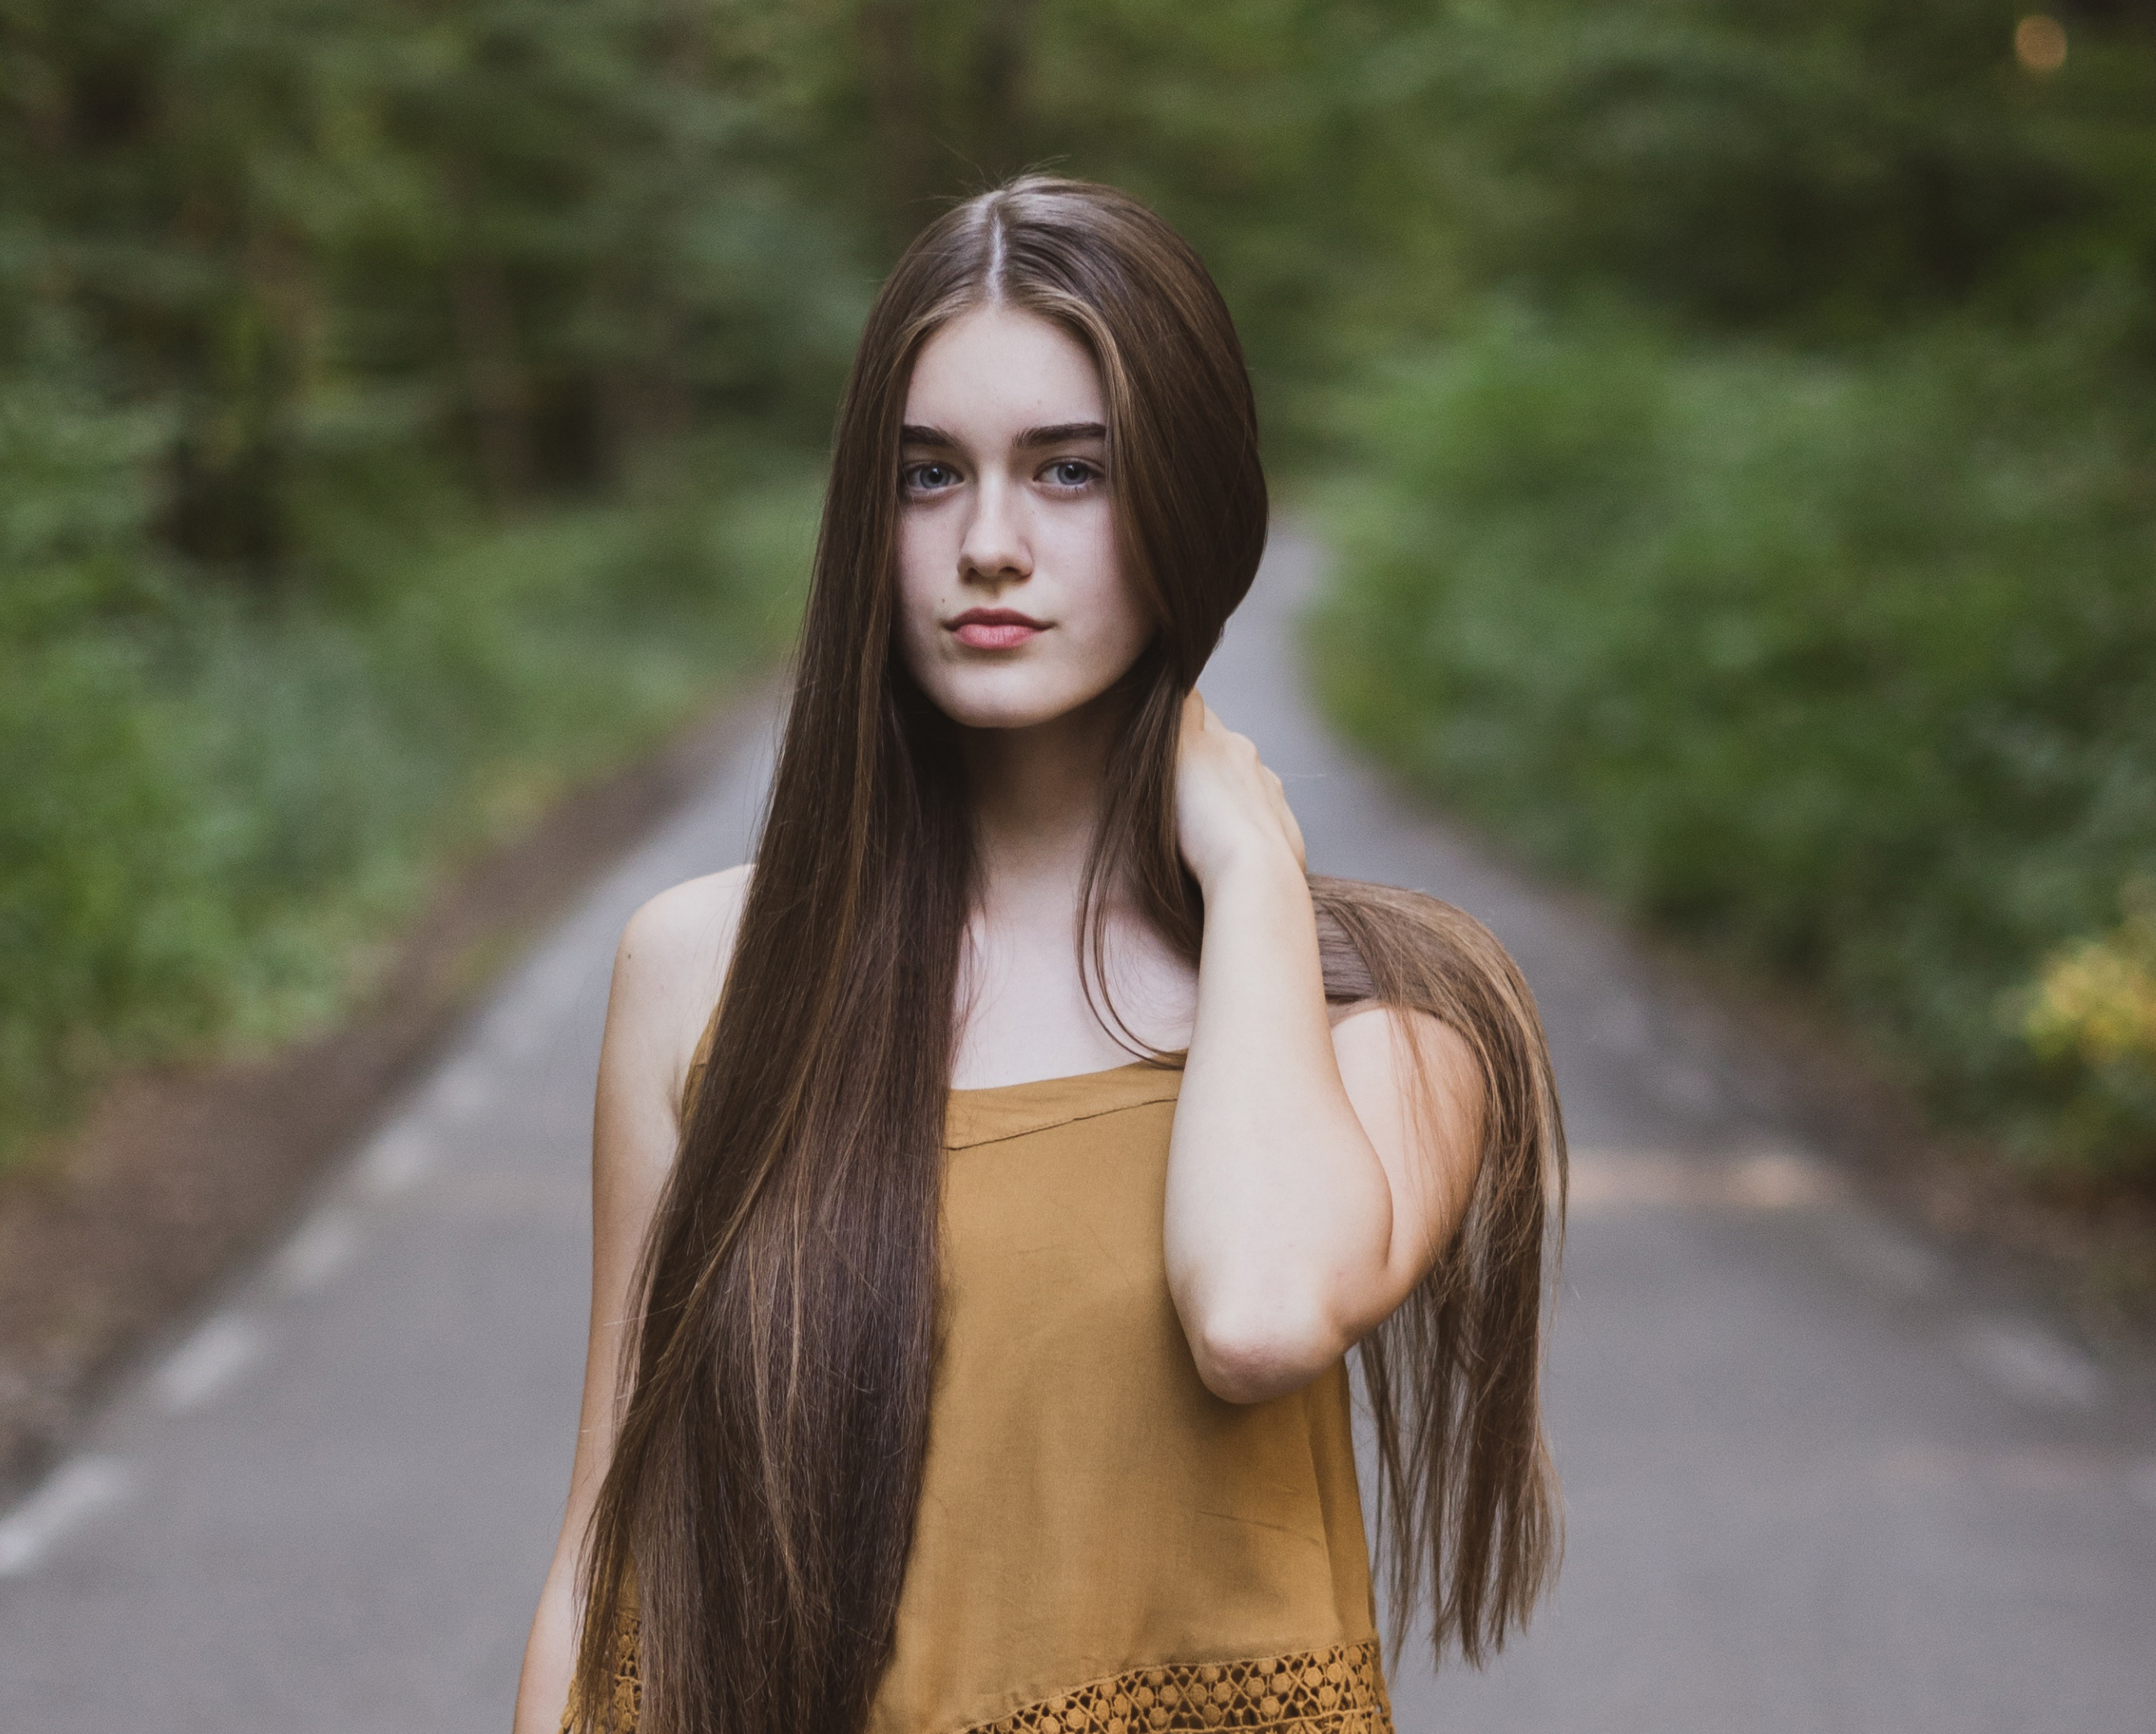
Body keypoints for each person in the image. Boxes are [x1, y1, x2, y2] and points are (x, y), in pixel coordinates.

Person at [510, 175, 1564, 1734]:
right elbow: (611, 1547)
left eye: (1071, 473)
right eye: (928, 477)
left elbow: (1261, 1313)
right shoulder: (705, 969)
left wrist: (1252, 873)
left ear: (1194, 505)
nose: (987, 545)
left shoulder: (1394, 1014)